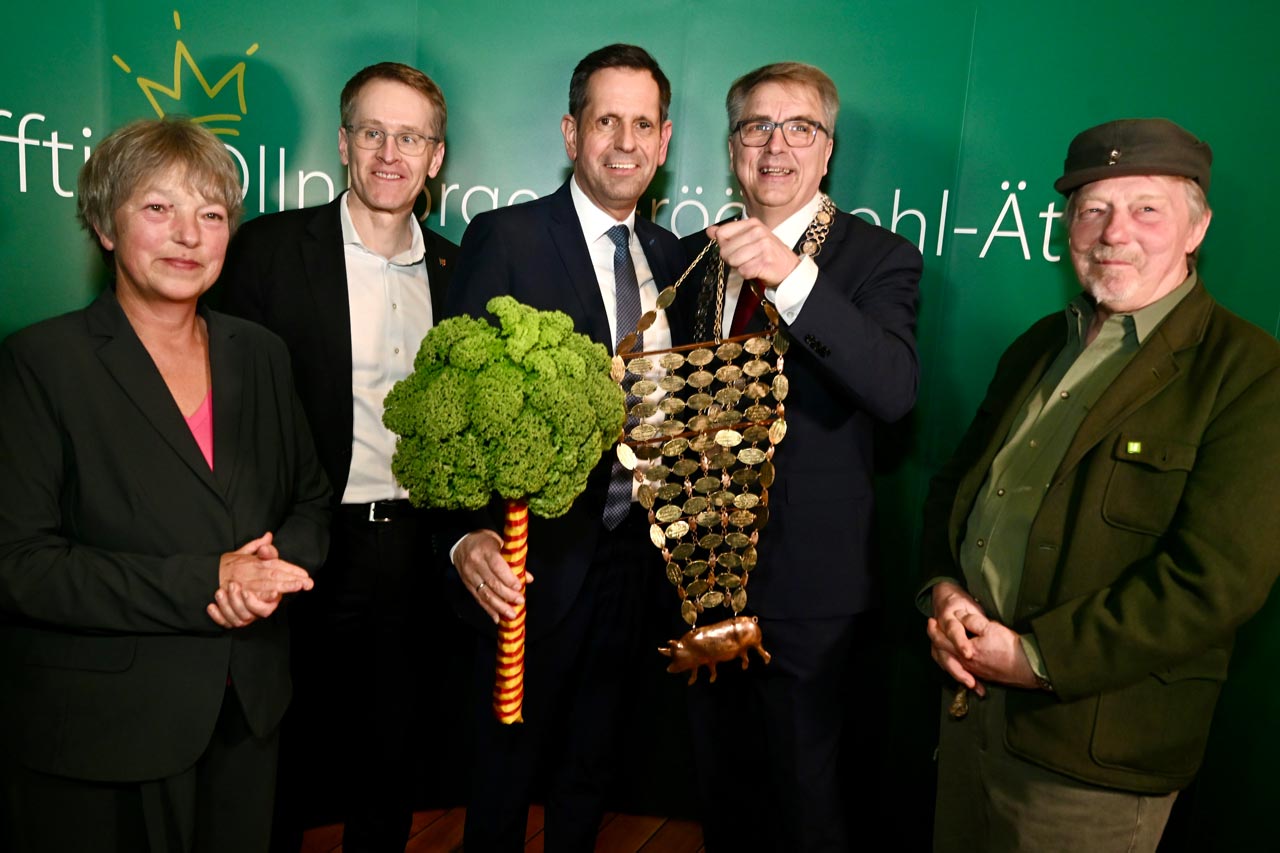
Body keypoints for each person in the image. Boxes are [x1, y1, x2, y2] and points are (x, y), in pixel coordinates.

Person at [921, 118, 1280, 851]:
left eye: (1146, 207)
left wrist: (1035, 658)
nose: (1115, 231)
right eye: (1092, 209)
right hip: (969, 714)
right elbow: (954, 490)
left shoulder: (1248, 373)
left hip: (1092, 762)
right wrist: (943, 592)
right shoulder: (1035, 347)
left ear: (1197, 226)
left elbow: (1215, 581)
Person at [0, 117, 330, 853]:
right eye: (158, 208)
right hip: (104, 733)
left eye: (210, 215)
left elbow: (308, 500)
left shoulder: (262, 354)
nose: (188, 234)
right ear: (105, 223)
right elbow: (20, 564)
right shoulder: (39, 363)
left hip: (248, 717)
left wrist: (275, 574)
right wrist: (208, 580)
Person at [675, 62, 921, 851]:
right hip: (702, 577)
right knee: (722, 791)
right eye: (756, 127)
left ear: (827, 152)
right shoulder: (692, 258)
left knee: (809, 802)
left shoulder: (878, 258)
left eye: (799, 128)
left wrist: (790, 279)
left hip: (810, 588)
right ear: (732, 145)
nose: (775, 145)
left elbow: (892, 389)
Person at [445, 43, 684, 852]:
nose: (625, 141)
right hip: (531, 563)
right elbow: (465, 399)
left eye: (642, 123)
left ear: (665, 138)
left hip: (633, 563)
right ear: (570, 131)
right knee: (505, 778)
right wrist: (471, 533)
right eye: (605, 120)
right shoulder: (507, 238)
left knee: (593, 766)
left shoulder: (676, 258)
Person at [218, 62, 458, 852]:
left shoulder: (461, 272)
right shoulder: (268, 252)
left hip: (419, 551)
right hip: (301, 543)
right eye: (374, 132)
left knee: (393, 757)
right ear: (345, 143)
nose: (391, 152)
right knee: (279, 756)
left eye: (411, 136)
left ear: (436, 156)